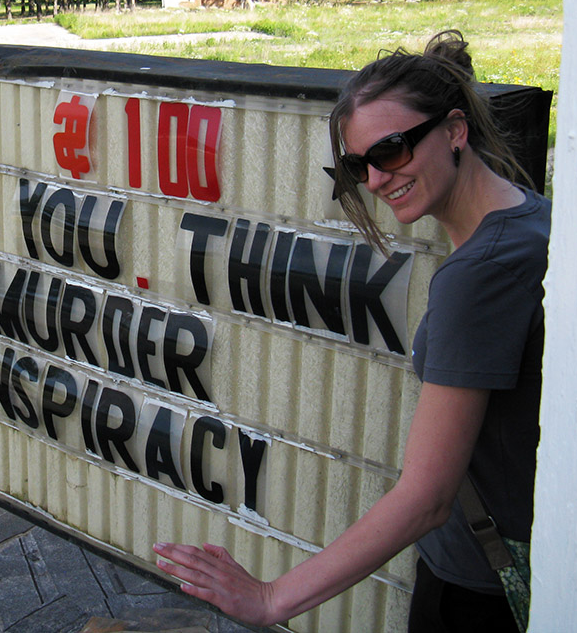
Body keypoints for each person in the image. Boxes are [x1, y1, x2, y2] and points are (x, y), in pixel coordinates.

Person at [153, 31, 550, 632]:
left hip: (475, 590)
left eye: (391, 151)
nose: (375, 179)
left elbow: (426, 497)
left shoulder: (479, 277)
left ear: (455, 131)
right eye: (358, 164)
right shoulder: (533, 217)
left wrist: (271, 599)